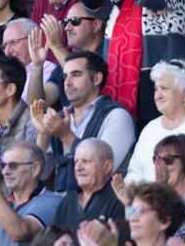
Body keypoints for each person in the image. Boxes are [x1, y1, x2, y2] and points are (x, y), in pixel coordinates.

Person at [29, 49, 135, 192]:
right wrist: (43, 134)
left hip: (103, 205)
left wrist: (66, 136)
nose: (67, 82)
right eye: (65, 76)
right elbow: (40, 174)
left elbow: (102, 168)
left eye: (76, 75)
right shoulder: (58, 118)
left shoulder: (117, 116)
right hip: (62, 204)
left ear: (97, 78)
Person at [122, 60, 185, 183]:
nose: (158, 95)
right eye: (156, 89)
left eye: (164, 88)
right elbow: (134, 173)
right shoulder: (151, 127)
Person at [0, 141, 60, 246]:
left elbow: (19, 233)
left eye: (13, 165)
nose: (5, 171)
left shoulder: (52, 201)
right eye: (3, 165)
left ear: (35, 169)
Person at [50, 138, 124, 232]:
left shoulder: (119, 201)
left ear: (108, 167)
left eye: (86, 161)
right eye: (76, 161)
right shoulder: (67, 201)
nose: (78, 167)